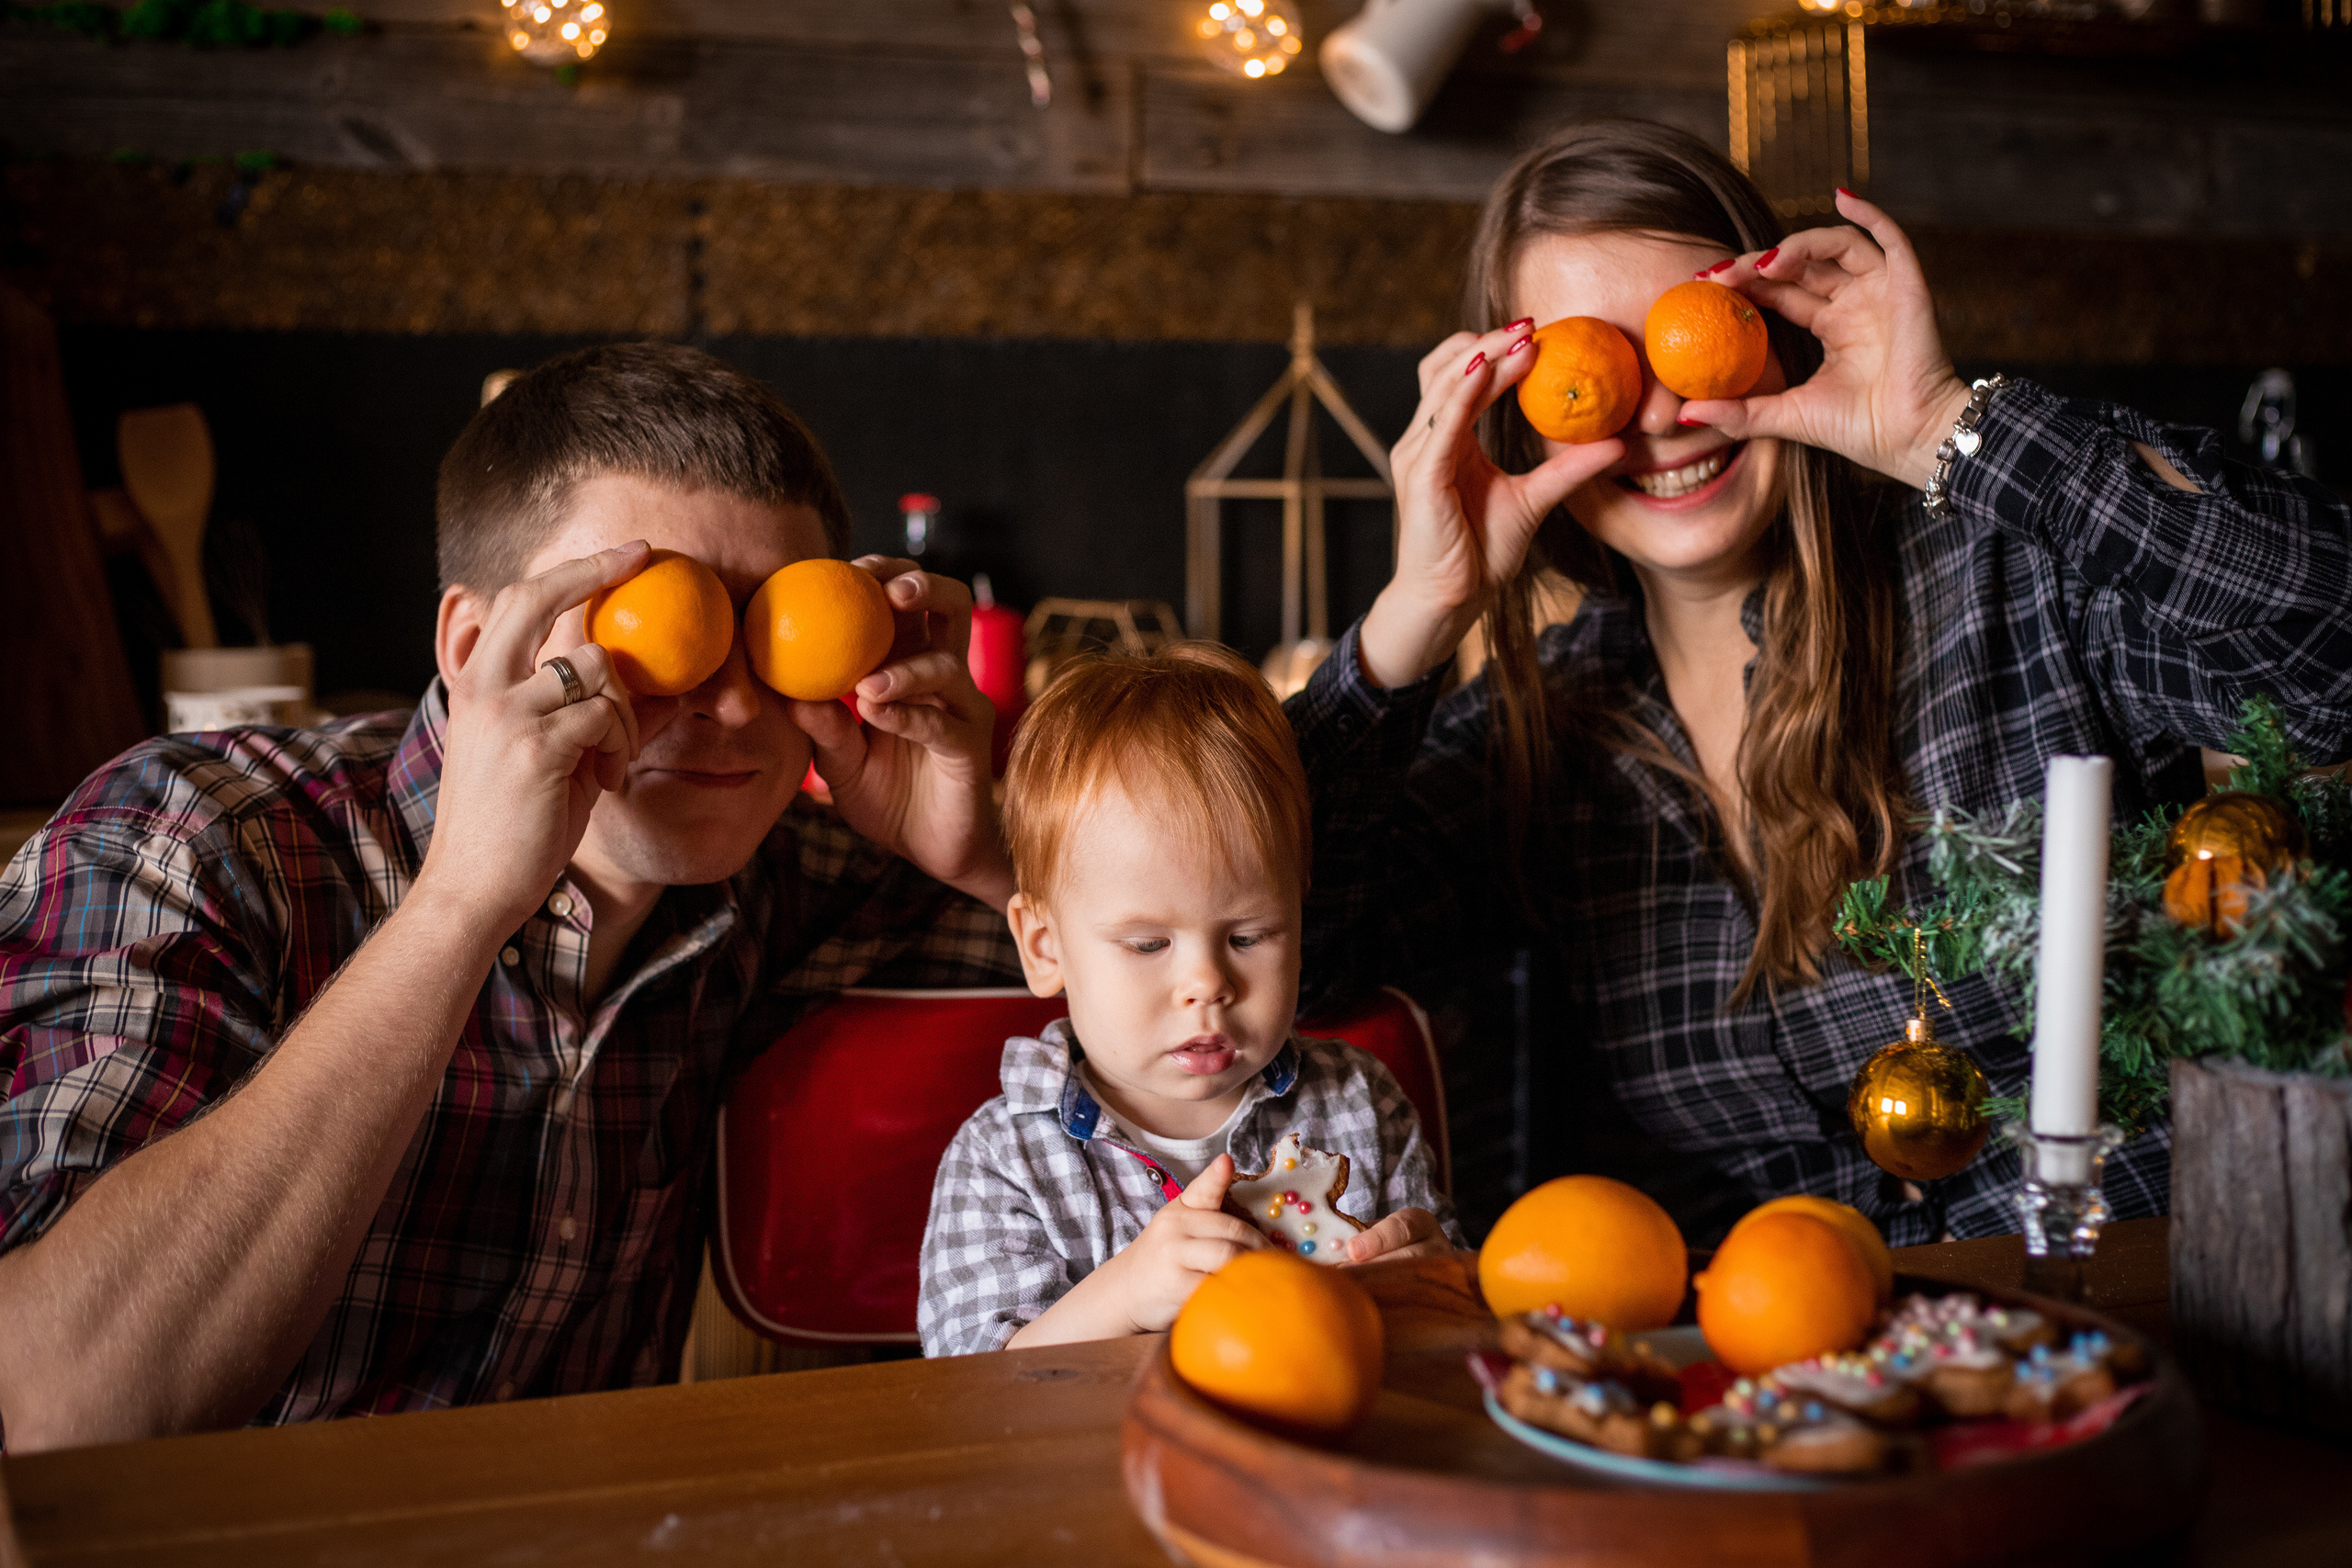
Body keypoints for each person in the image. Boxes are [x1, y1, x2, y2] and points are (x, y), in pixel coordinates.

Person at [1290, 120, 2352, 1247]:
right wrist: (1417, 612)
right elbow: (1277, 957)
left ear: (1781, 332)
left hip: (2142, 1296)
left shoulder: (2013, 575)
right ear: (1518, 415)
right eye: (1590, 368)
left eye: (1690, 338)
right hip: (1801, 1339)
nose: (1662, 413)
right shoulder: (1543, 730)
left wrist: (1946, 426)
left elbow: (2327, 649)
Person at [0, 342, 1020, 1450]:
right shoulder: (193, 839)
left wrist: (983, 855)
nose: (731, 707)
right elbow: (56, 1408)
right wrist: (460, 906)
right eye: (659, 629)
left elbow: (1162, 1010)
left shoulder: (783, 878)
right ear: (474, 644)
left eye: (771, 635)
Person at [918, 644, 1458, 1358]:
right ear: (1046, 946)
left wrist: (1435, 1285)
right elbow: (971, 1392)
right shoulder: (1002, 1162)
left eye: (1248, 936)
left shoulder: (1364, 1105)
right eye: (1148, 944)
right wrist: (1122, 1297)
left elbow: (1451, 1330)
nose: (1207, 982)